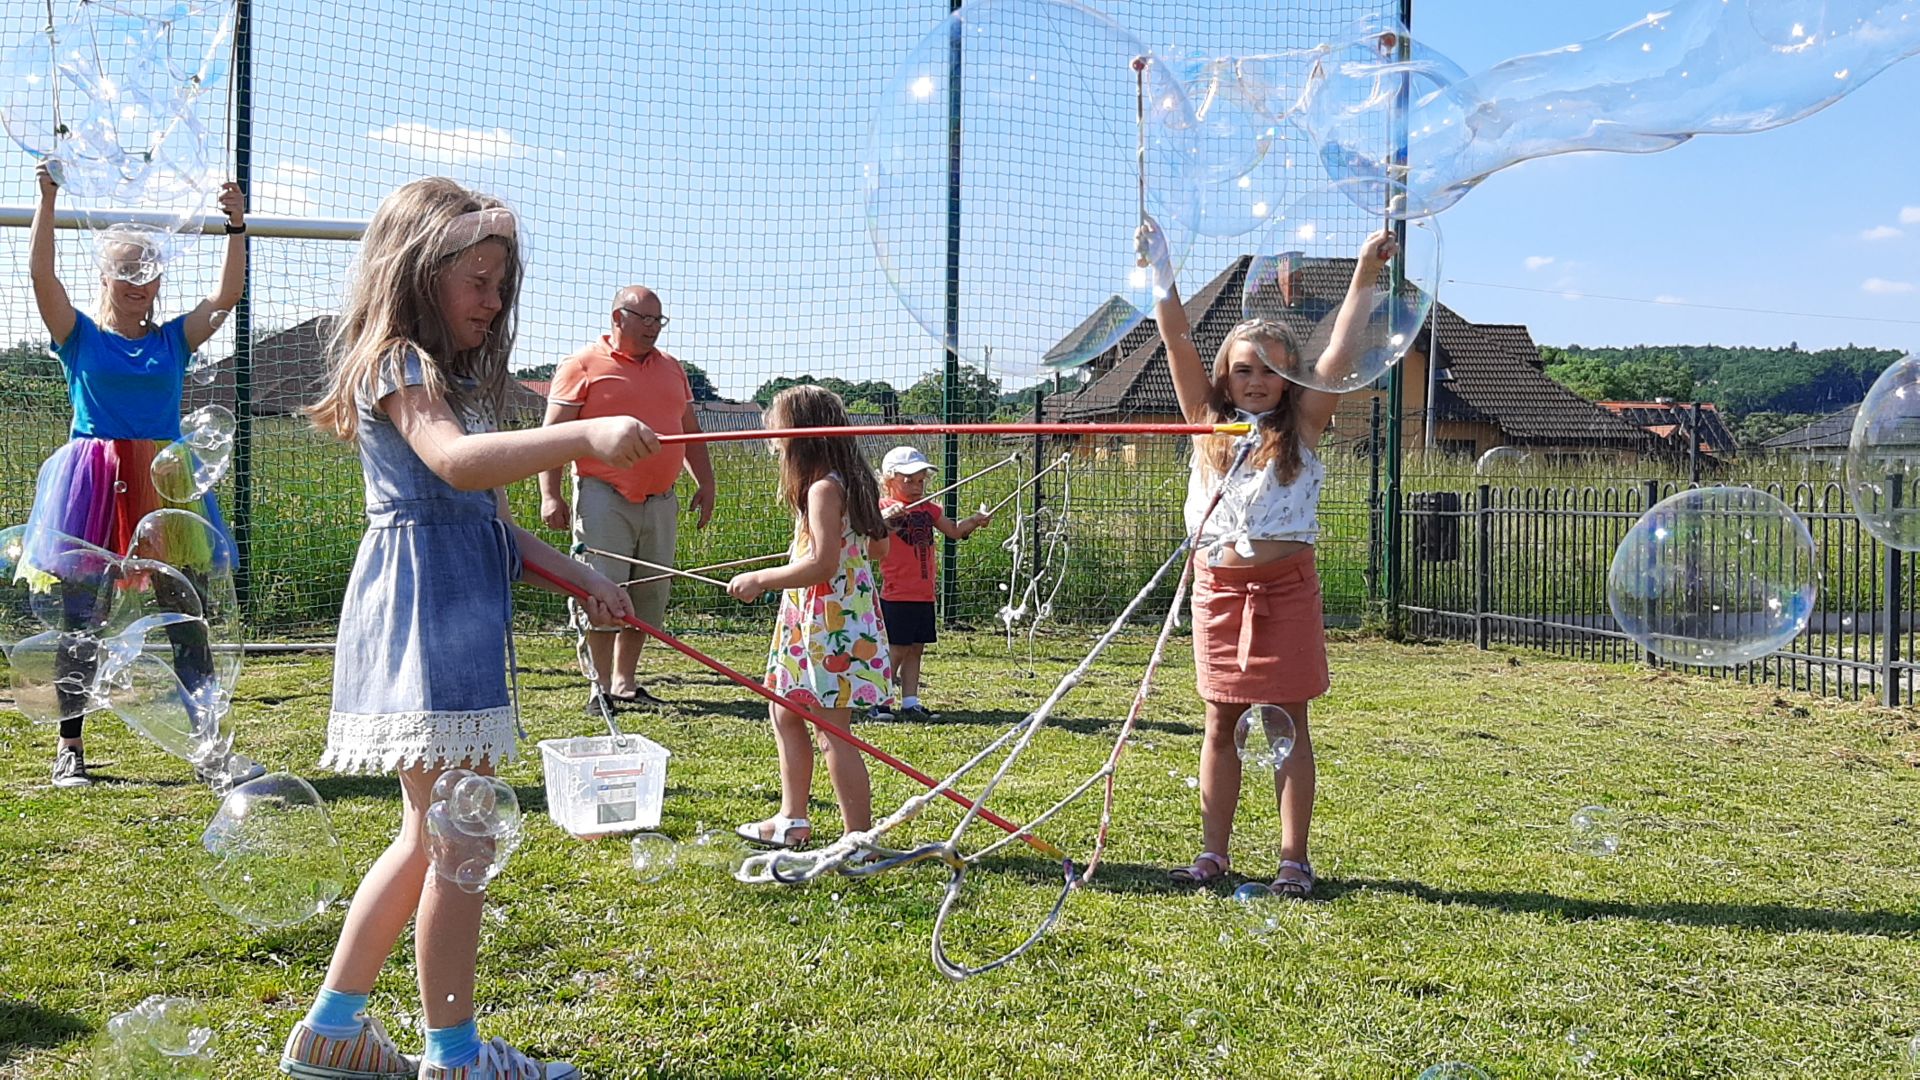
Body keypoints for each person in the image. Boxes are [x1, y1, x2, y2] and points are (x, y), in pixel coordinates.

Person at [285, 178, 654, 1080]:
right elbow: (454, 467)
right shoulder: (400, 362)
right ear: (418, 271)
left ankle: (334, 1033)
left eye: (501, 284)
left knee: (431, 832)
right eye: (479, 280)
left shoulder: (441, 377)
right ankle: (455, 1058)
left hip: (443, 604)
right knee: (460, 837)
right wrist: (581, 439)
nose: (494, 301)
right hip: (429, 614)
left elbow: (483, 516)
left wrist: (579, 573)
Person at [1136, 213, 1396, 898]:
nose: (1256, 380)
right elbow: (1175, 338)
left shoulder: (1305, 426)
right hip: (1218, 590)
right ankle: (1213, 853)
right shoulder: (1207, 423)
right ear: (1225, 376)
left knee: (1286, 721)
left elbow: (1340, 351)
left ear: (1288, 381)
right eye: (1244, 369)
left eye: (1272, 370)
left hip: (1285, 588)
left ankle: (1292, 859)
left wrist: (1367, 274)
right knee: (1221, 720)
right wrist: (1160, 269)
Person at [25, 161, 251, 789]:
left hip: (164, 482)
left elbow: (226, 297)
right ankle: (70, 749)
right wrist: (46, 199)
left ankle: (210, 748)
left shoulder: (175, 340)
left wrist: (236, 224)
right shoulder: (78, 337)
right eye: (123, 270)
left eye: (144, 272)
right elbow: (40, 274)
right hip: (93, 486)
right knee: (83, 619)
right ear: (104, 275)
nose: (133, 281)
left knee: (187, 616)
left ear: (157, 283)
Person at [726, 385, 891, 850]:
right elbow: (879, 548)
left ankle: (858, 839)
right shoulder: (846, 483)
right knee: (785, 712)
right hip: (816, 622)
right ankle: (791, 819)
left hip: (830, 628)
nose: (770, 437)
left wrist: (761, 578)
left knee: (833, 731)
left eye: (776, 428)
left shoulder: (824, 488)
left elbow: (822, 564)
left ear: (801, 434)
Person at [538, 286, 715, 714]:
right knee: (601, 590)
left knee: (649, 593)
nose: (654, 329)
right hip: (604, 496)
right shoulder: (580, 365)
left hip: (661, 499)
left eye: (659, 321)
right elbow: (551, 437)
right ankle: (597, 687)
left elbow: (688, 431)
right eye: (646, 319)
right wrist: (550, 495)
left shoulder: (673, 368)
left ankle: (625, 684)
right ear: (619, 318)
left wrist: (705, 484)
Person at [871, 445, 990, 721]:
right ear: (889, 480)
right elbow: (873, 534)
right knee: (897, 648)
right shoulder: (883, 508)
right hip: (897, 593)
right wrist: (887, 520)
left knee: (915, 648)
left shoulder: (928, 508)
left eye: (921, 480)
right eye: (908, 480)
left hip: (923, 594)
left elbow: (955, 531)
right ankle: (879, 701)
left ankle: (910, 702)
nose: (916, 486)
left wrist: (974, 520)